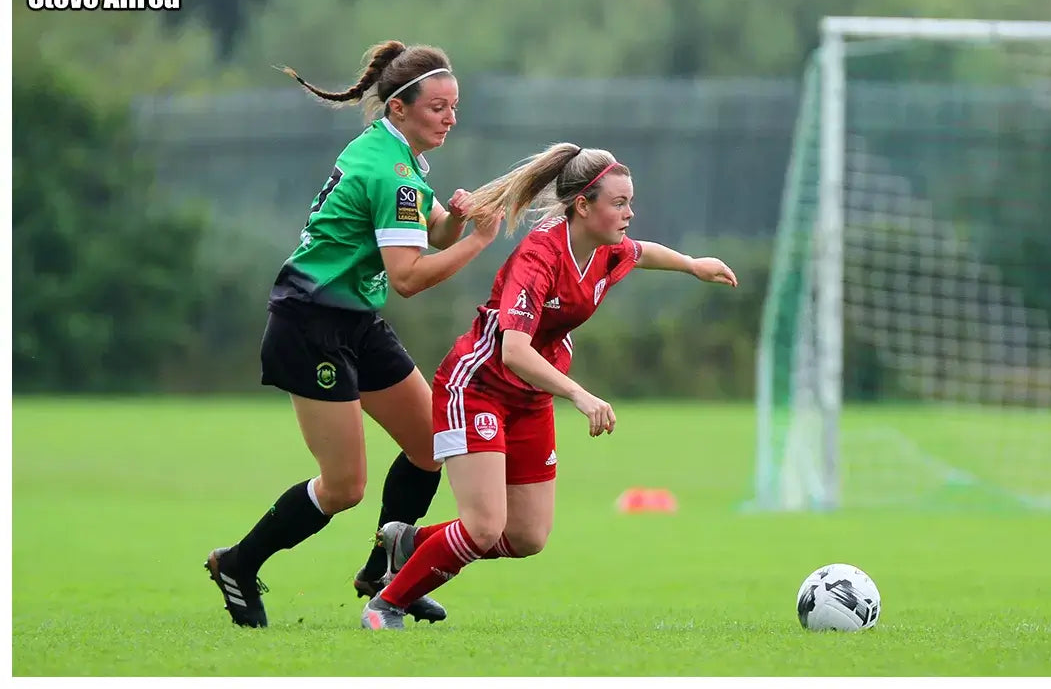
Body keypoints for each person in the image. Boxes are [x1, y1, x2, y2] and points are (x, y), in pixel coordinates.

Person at [357, 143, 739, 630]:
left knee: (526, 536)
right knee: (482, 526)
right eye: (619, 203)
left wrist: (692, 264)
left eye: (630, 202)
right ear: (584, 205)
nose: (629, 213)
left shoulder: (604, 250)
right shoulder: (539, 255)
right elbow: (514, 351)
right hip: (477, 387)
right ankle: (385, 604)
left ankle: (409, 544)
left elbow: (642, 253)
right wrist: (579, 394)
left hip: (529, 398)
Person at [204, 40, 502, 628]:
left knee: (429, 443)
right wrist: (477, 243)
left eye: (454, 106)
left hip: (354, 321)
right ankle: (238, 563)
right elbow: (410, 277)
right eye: (438, 107)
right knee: (344, 488)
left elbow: (432, 231)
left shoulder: (400, 157)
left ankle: (384, 576)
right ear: (398, 108)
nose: (451, 118)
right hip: (309, 324)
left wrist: (459, 220)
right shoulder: (393, 170)